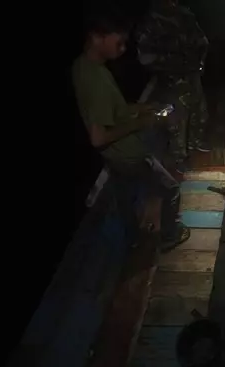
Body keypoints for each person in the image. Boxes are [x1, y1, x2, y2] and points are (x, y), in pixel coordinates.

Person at [72, 12, 190, 249]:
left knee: (125, 201)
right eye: (119, 42)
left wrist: (144, 107)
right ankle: (169, 235)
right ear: (97, 37)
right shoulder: (97, 81)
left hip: (113, 159)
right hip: (129, 155)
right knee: (171, 189)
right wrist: (141, 122)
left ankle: (132, 240)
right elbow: (98, 137)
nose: (124, 49)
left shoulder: (83, 67)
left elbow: (112, 111)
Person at [135, 0, 211, 174]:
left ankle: (196, 142)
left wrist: (199, 62)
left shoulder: (184, 14)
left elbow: (201, 41)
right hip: (171, 78)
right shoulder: (151, 21)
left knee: (199, 110)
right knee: (178, 119)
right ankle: (179, 158)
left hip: (191, 73)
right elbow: (145, 56)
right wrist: (168, 67)